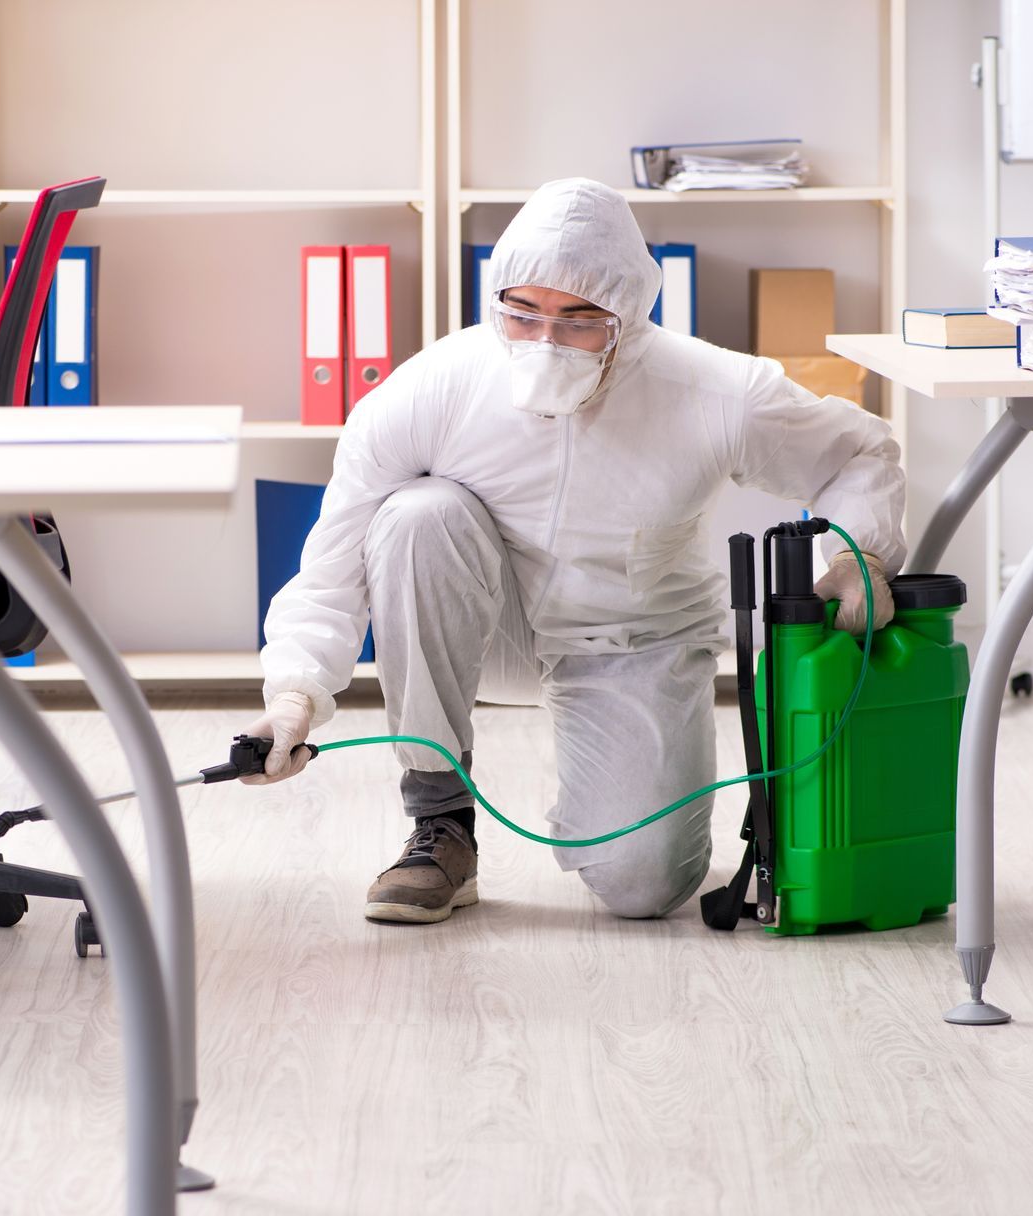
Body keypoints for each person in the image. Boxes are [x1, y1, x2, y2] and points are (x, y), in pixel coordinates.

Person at [246, 177, 905, 925]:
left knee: (645, 887)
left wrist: (862, 557)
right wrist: (293, 696)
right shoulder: (431, 389)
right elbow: (333, 560)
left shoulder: (711, 389)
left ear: (627, 315)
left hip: (634, 638)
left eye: (580, 320)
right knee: (416, 517)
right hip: (490, 625)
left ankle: (614, 813)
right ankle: (441, 825)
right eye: (522, 314)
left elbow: (855, 452)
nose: (547, 341)